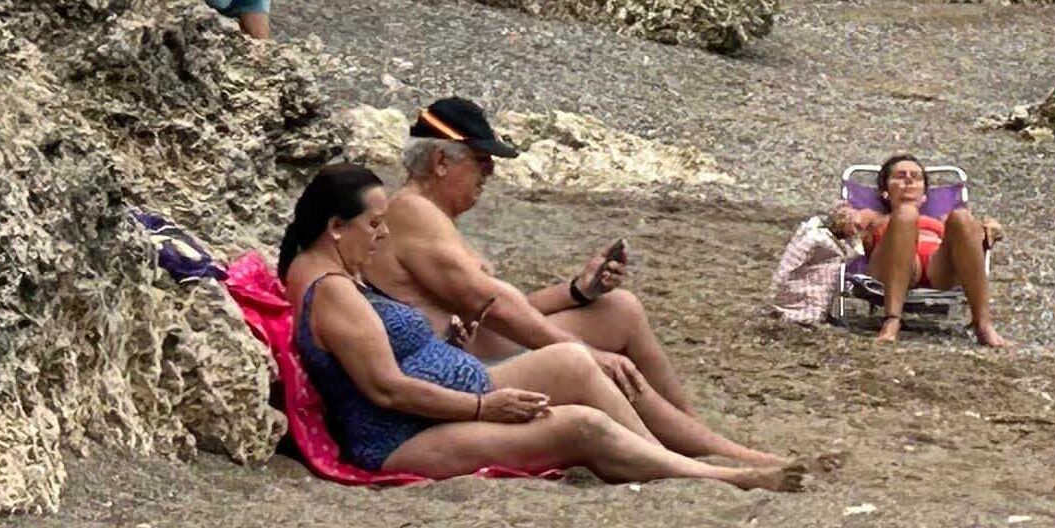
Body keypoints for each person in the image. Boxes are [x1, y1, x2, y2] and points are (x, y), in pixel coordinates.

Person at [365, 97, 804, 478]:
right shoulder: (413, 214)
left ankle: (699, 438)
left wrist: (575, 291)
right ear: (442, 162)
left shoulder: (429, 217)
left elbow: (492, 311)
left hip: (469, 351)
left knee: (620, 310)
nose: (491, 173)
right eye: (481, 162)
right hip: (449, 375)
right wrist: (586, 350)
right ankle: (683, 458)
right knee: (577, 360)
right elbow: (494, 306)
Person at [277, 162, 784, 488]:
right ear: (335, 227)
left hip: (452, 391)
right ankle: (709, 472)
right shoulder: (336, 289)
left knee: (575, 360)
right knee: (584, 422)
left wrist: (575, 294)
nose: (382, 234)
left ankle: (703, 458)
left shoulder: (332, 268)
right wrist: (482, 406)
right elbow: (387, 389)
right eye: (372, 225)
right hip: (404, 433)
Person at [854, 152, 1010, 347]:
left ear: (925, 195)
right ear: (884, 191)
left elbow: (972, 236)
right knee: (906, 213)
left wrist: (990, 227)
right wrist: (848, 220)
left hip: (938, 269)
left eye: (916, 177)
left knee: (962, 217)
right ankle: (892, 320)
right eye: (900, 176)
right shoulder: (872, 216)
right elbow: (843, 226)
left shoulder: (943, 220)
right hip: (891, 267)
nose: (909, 179)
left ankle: (983, 324)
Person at [769, 206, 866, 326]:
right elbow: (791, 260)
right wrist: (777, 287)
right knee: (803, 310)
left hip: (822, 284)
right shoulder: (814, 236)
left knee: (819, 303)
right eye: (855, 227)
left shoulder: (840, 243)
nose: (856, 232)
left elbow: (851, 255)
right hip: (801, 286)